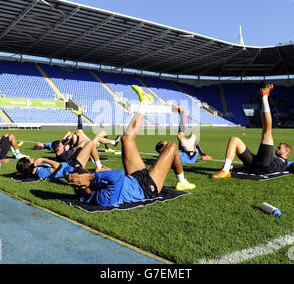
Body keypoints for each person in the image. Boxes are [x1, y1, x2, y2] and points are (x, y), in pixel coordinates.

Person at [65, 85, 196, 207]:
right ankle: (182, 182)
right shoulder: (102, 198)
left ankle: (145, 103)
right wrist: (91, 176)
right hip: (146, 187)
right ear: (84, 184)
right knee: (172, 147)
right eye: (88, 173)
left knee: (127, 139)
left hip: (134, 178)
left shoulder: (79, 185)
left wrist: (78, 172)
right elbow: (118, 176)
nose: (90, 172)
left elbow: (68, 171)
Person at [211, 84, 294, 180]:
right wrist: (233, 167)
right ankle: (225, 170)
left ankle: (265, 97)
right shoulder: (273, 157)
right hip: (254, 164)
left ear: (286, 152)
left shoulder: (288, 163)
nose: (277, 147)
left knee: (267, 131)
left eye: (280, 147)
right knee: (234, 139)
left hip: (267, 165)